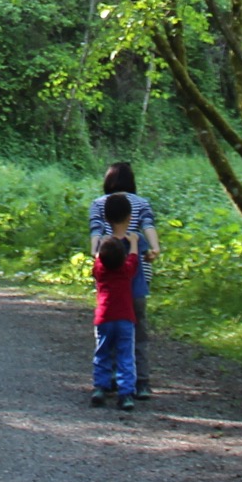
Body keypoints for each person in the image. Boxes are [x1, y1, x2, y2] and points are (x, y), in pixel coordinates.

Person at [87, 161, 159, 392]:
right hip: (137, 273)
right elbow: (148, 225)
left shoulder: (99, 204)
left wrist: (95, 252)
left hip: (108, 272)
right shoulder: (141, 203)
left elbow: (96, 230)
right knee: (138, 329)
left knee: (110, 326)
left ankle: (111, 378)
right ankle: (142, 381)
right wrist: (155, 248)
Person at [89, 192, 140, 409]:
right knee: (125, 355)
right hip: (125, 318)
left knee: (102, 352)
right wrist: (134, 242)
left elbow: (98, 261)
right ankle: (126, 393)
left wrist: (101, 246)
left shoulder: (100, 270)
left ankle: (100, 387)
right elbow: (134, 259)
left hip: (104, 317)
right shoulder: (126, 271)